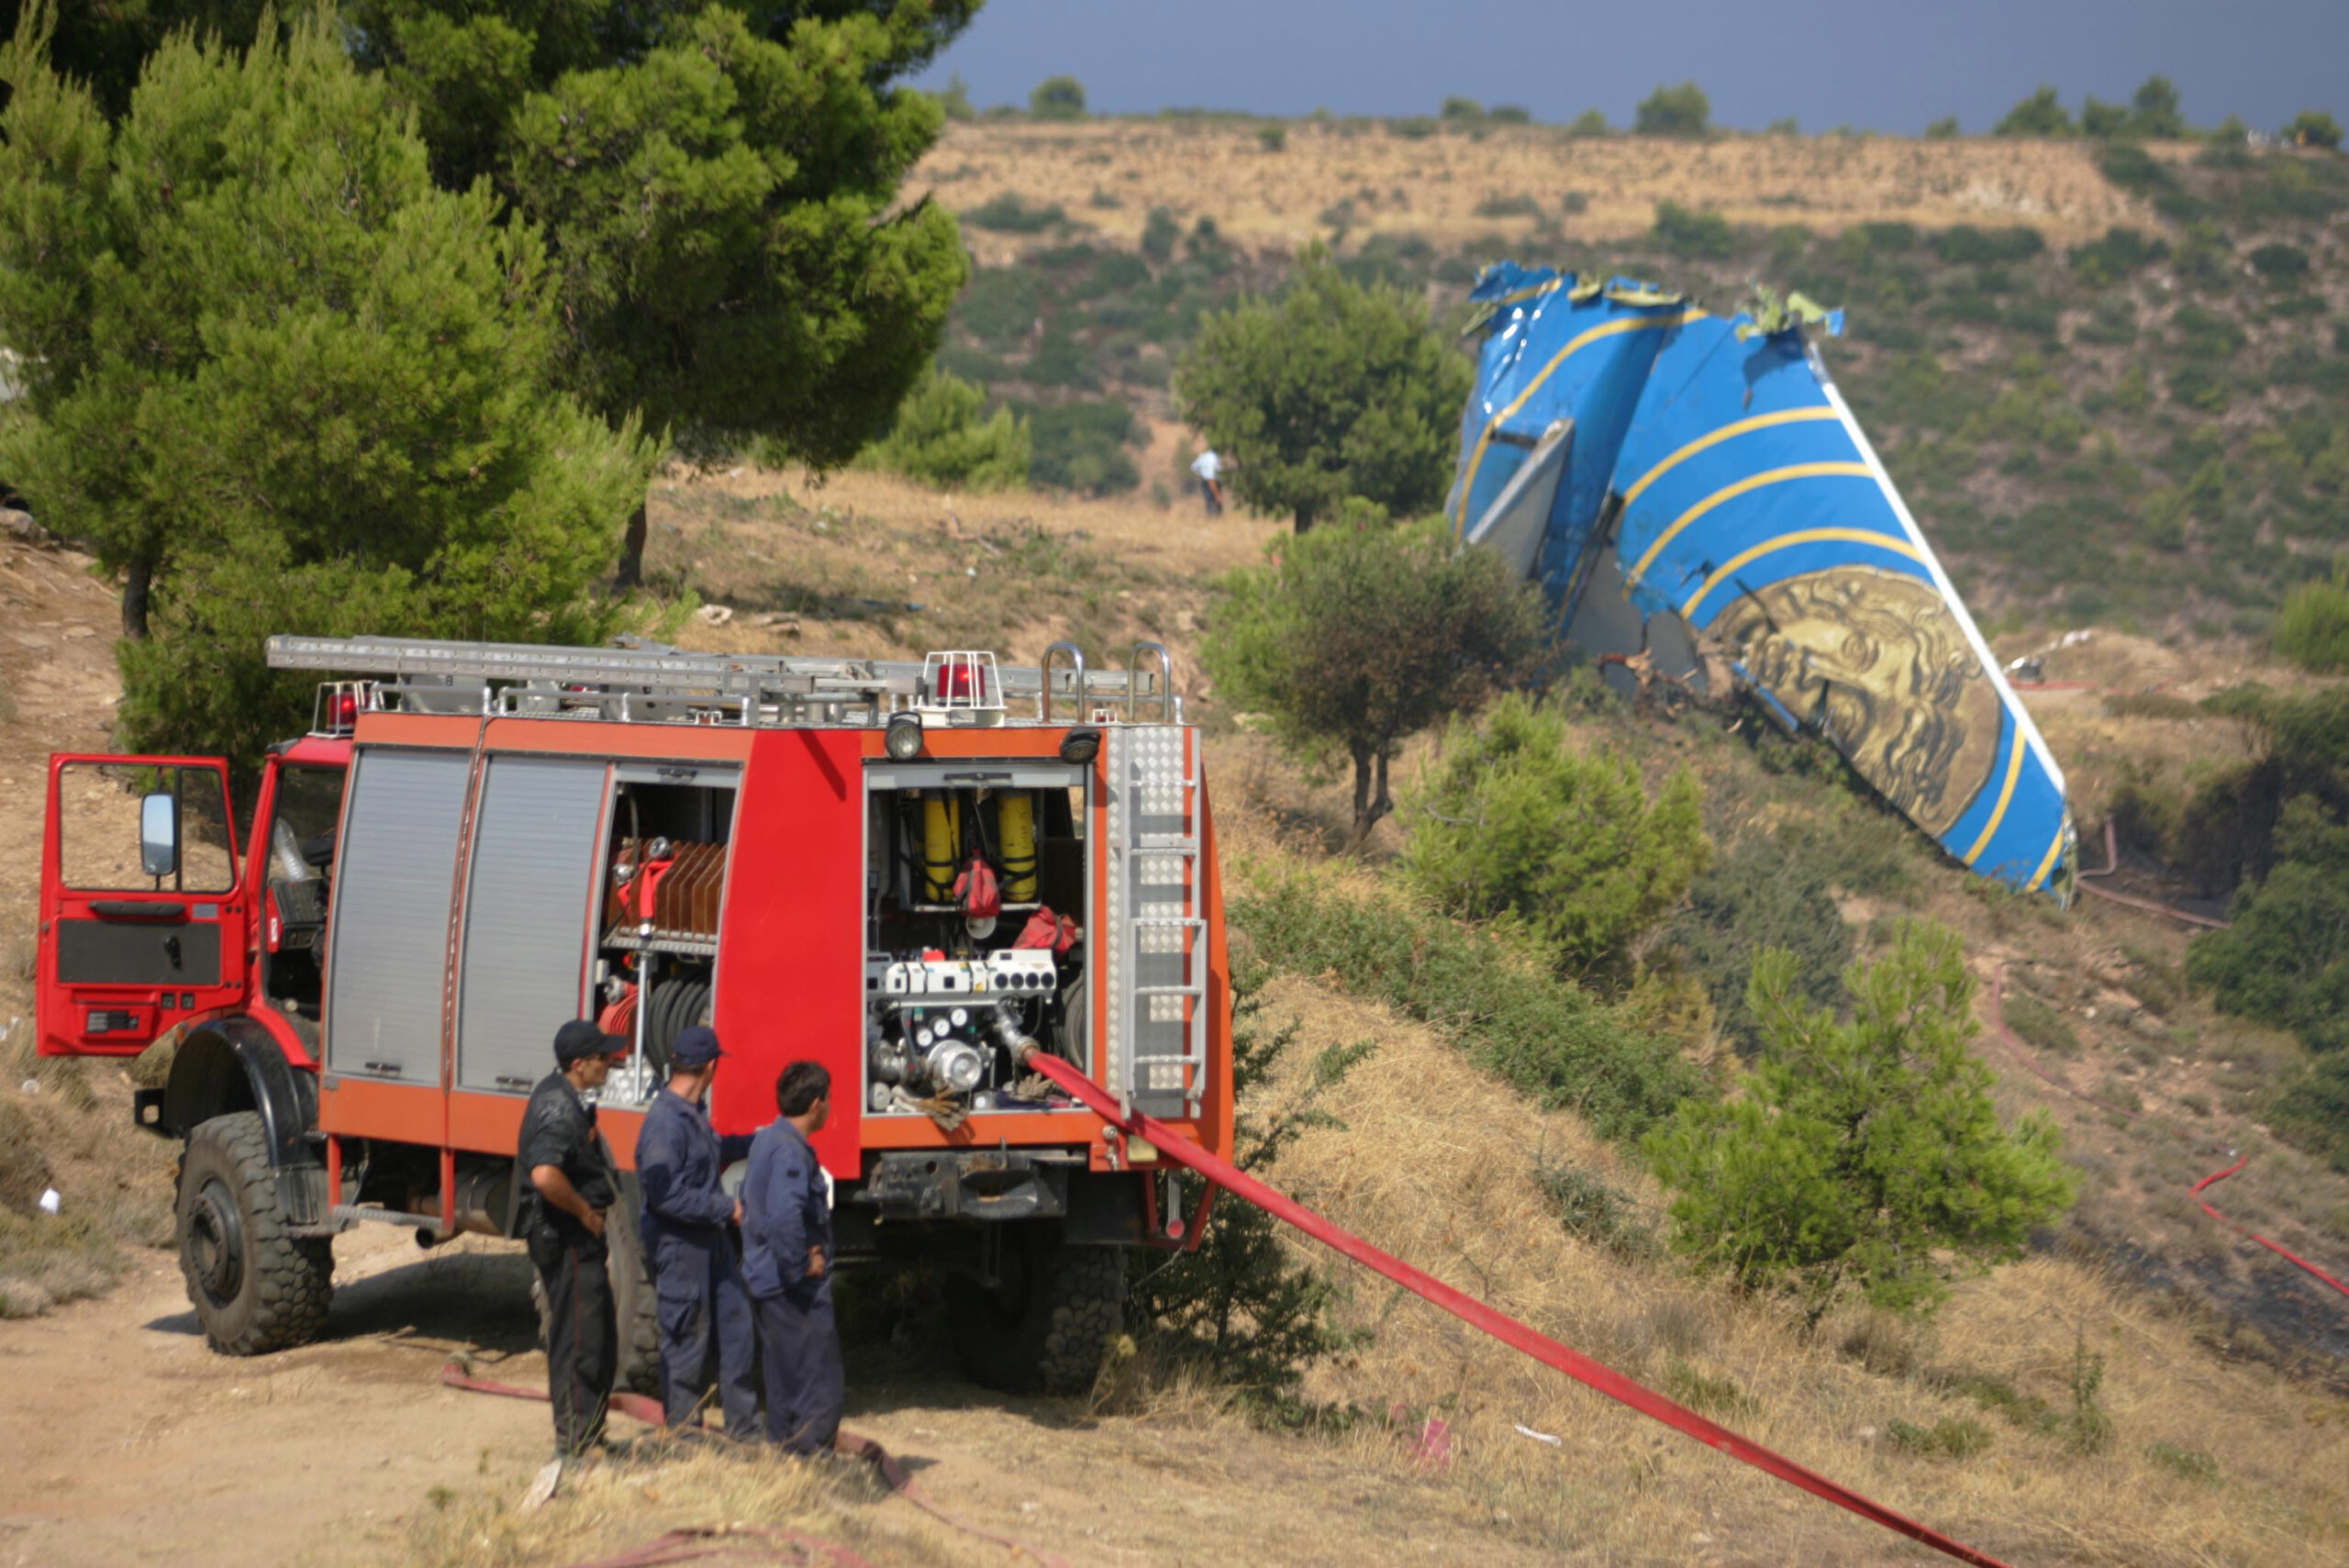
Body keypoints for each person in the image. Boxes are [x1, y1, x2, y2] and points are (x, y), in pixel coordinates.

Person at [635, 1025, 759, 1436]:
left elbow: (715, 1150)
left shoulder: (692, 1114)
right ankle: (685, 1435)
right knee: (686, 1338)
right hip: (680, 1246)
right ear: (710, 1067)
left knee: (737, 1328)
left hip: (712, 1241)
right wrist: (727, 1207)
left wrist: (761, 1141)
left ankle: (744, 1427)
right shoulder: (665, 1123)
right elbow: (665, 1194)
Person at [520, 1018, 631, 1460]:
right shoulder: (557, 1109)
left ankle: (590, 1436)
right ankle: (575, 1447)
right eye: (604, 1057)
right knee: (578, 1343)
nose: (612, 1063)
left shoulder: (568, 1098)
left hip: (577, 1241)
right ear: (580, 1063)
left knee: (596, 1341)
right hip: (566, 1239)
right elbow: (545, 1174)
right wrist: (584, 1211)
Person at [742, 1061, 843, 1454]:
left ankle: (787, 1459)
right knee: (817, 1381)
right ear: (817, 1105)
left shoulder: (769, 1139)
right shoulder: (789, 1152)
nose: (831, 1107)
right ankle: (808, 1459)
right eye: (830, 1099)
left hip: (768, 1280)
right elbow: (784, 1216)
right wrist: (801, 1265)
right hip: (790, 1287)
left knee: (784, 1378)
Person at [1190, 448, 1225, 517]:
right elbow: (1211, 479)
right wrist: (1217, 494)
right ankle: (1215, 521)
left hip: (1204, 481)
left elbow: (1193, 467)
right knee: (1215, 503)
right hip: (1212, 482)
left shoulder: (1203, 455)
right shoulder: (1214, 458)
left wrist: (1202, 473)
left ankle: (1212, 520)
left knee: (1209, 502)